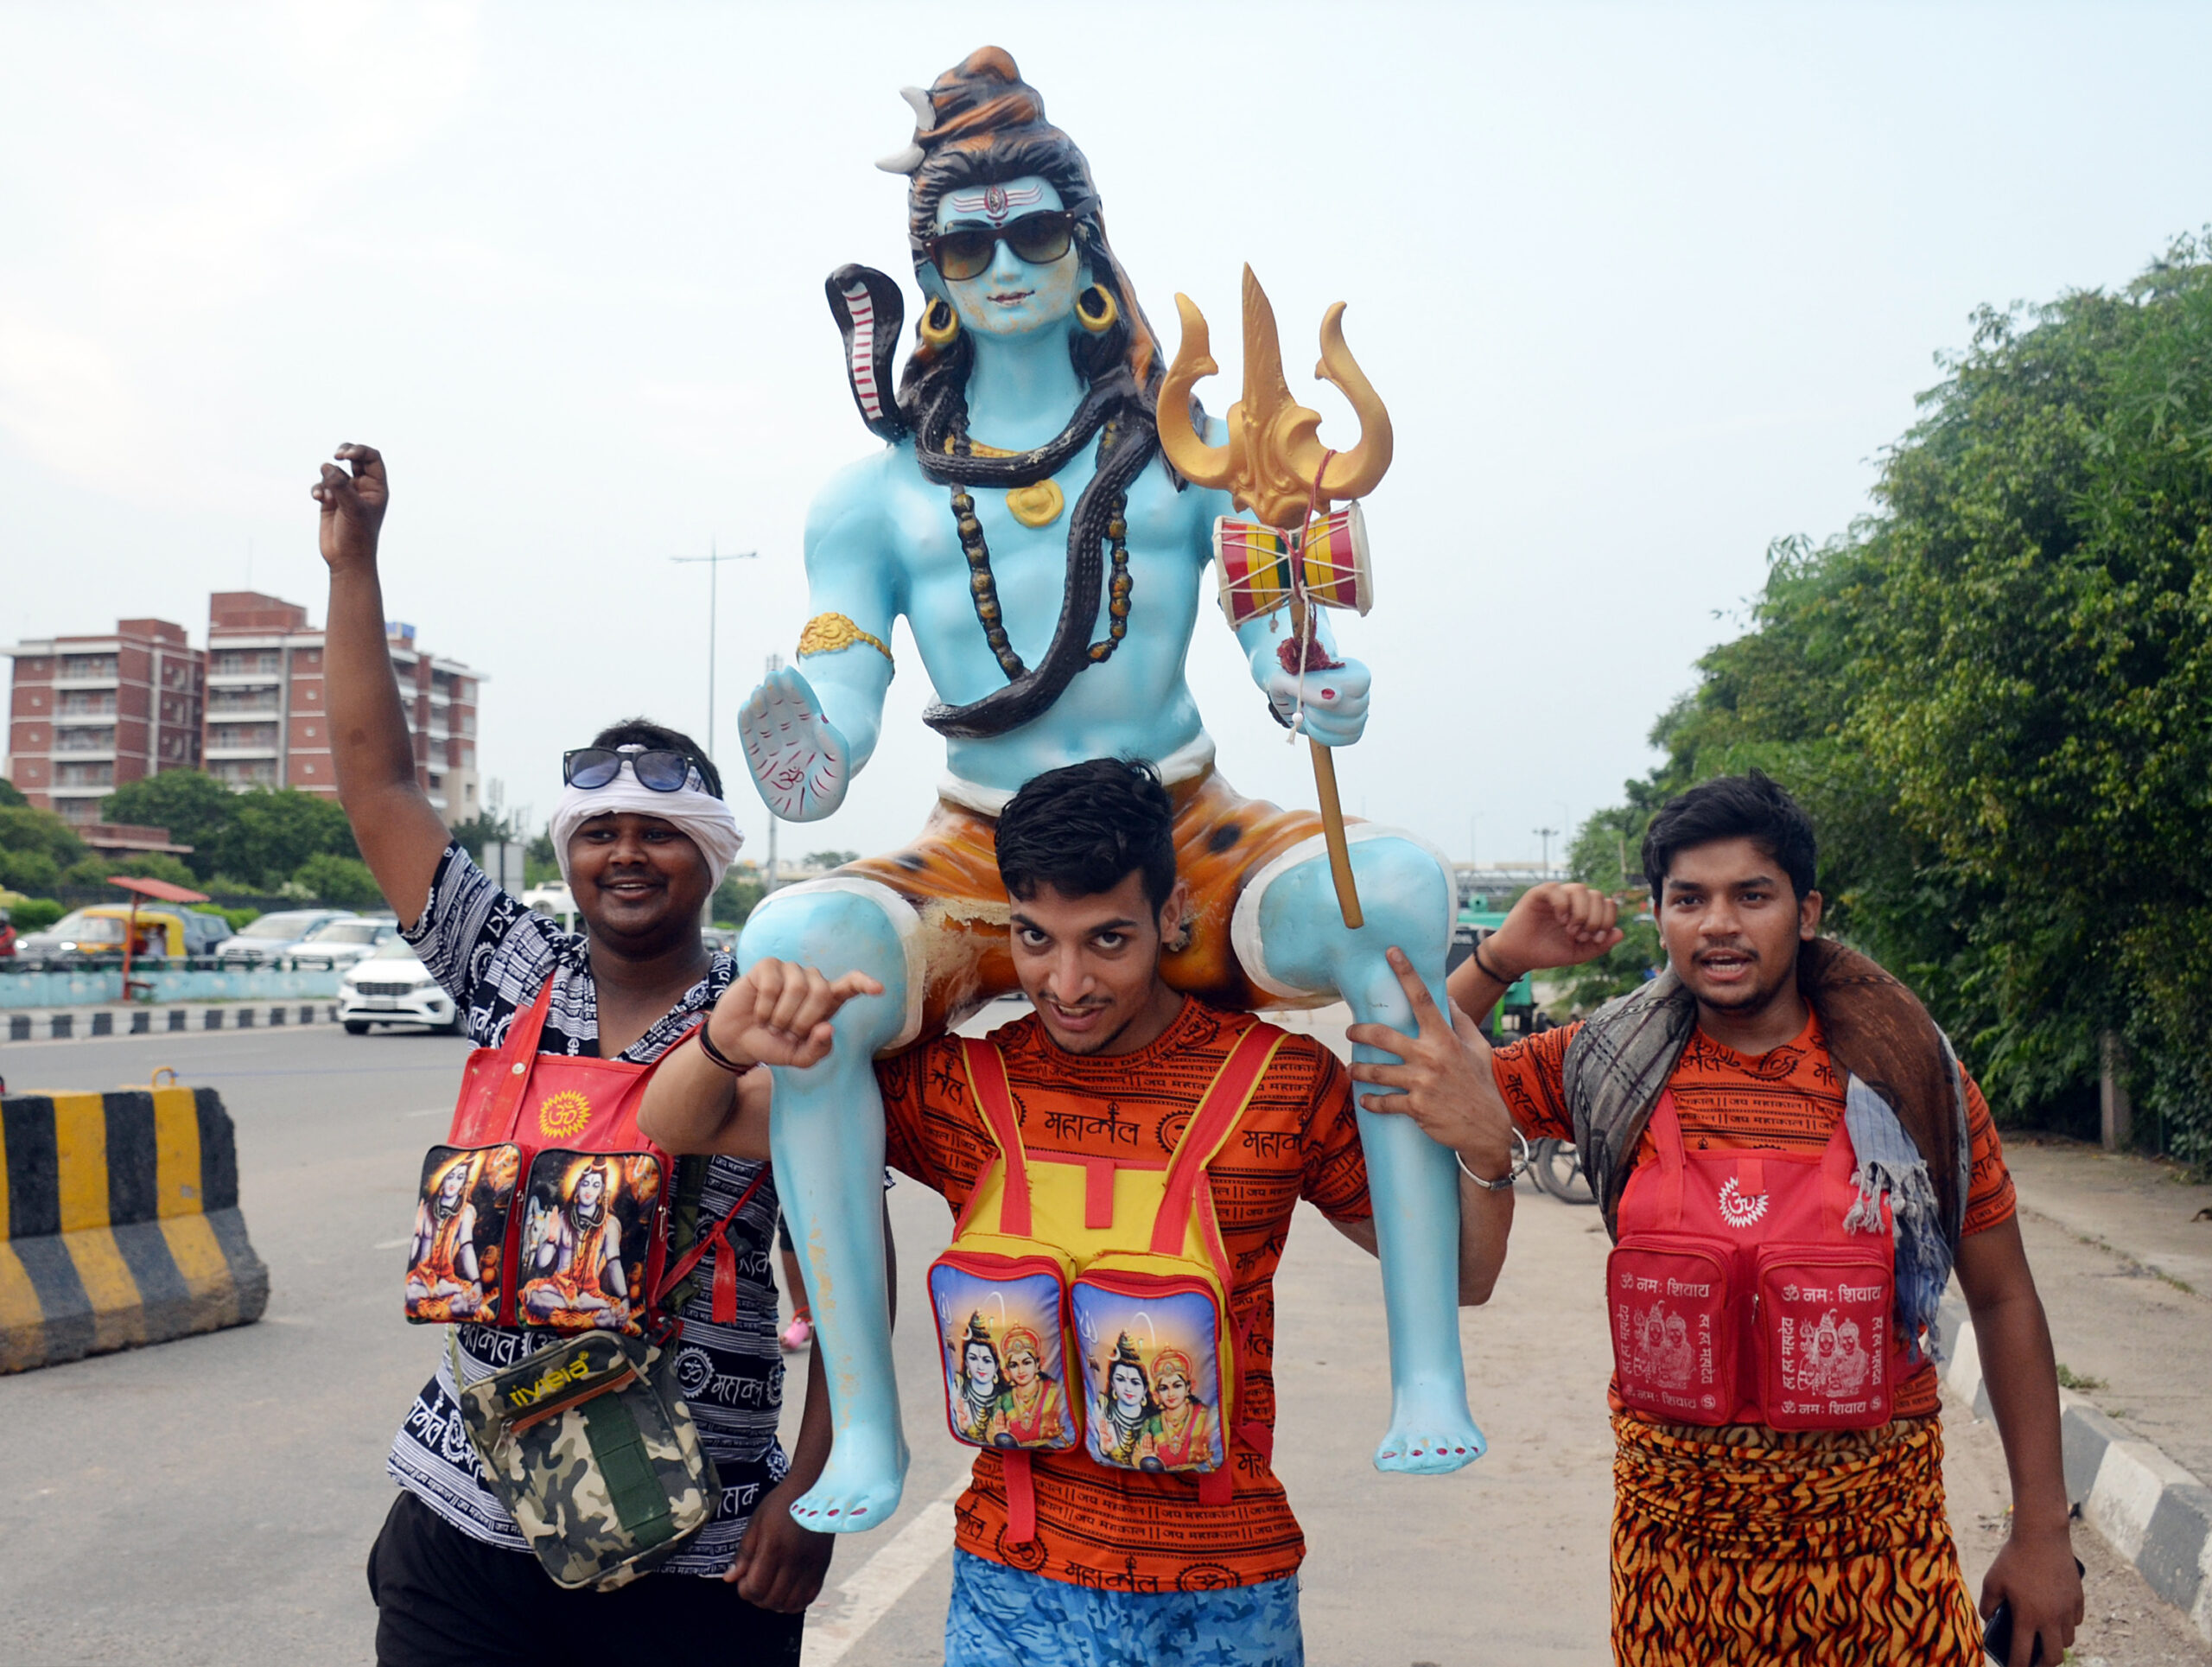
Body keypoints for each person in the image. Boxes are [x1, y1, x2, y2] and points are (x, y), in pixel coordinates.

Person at [728, 46, 1479, 1529]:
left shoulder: (1184, 444)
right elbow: (850, 681)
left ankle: (1431, 1369)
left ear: (1083, 248)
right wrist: (807, 721)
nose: (1002, 262)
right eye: (966, 239)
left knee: (1391, 893)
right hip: (981, 851)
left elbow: (1280, 625)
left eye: (1032, 230)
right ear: (929, 271)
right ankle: (867, 1424)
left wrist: (1311, 672)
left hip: (1183, 831)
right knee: (791, 955)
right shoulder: (873, 493)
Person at [639, 757, 1515, 1664]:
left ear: (1172, 915)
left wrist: (1489, 1148)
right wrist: (719, 1041)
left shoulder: (1282, 1087)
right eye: (1035, 938)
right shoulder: (959, 1087)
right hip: (1010, 1589)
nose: (1066, 983)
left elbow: (1463, 1278)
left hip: (1226, 1594)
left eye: (1106, 940)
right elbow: (679, 1124)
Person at [1356, 770, 2082, 1666]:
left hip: (1878, 1564)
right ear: (1659, 917)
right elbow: (1414, 1065)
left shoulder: (1907, 1080)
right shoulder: (1604, 1063)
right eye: (1688, 899)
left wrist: (2042, 1534)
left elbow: (2005, 1299)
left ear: (1806, 912)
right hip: (1672, 1574)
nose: (1719, 925)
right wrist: (1503, 958)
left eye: (1752, 896)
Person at [311, 443, 833, 1665]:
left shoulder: (769, 1014)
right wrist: (355, 563)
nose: (627, 852)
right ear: (570, 853)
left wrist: (812, 1495)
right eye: (600, 831)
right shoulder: (511, 973)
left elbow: (846, 1279)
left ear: (713, 856)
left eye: (661, 831)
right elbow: (379, 784)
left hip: (701, 1540)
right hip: (468, 1518)